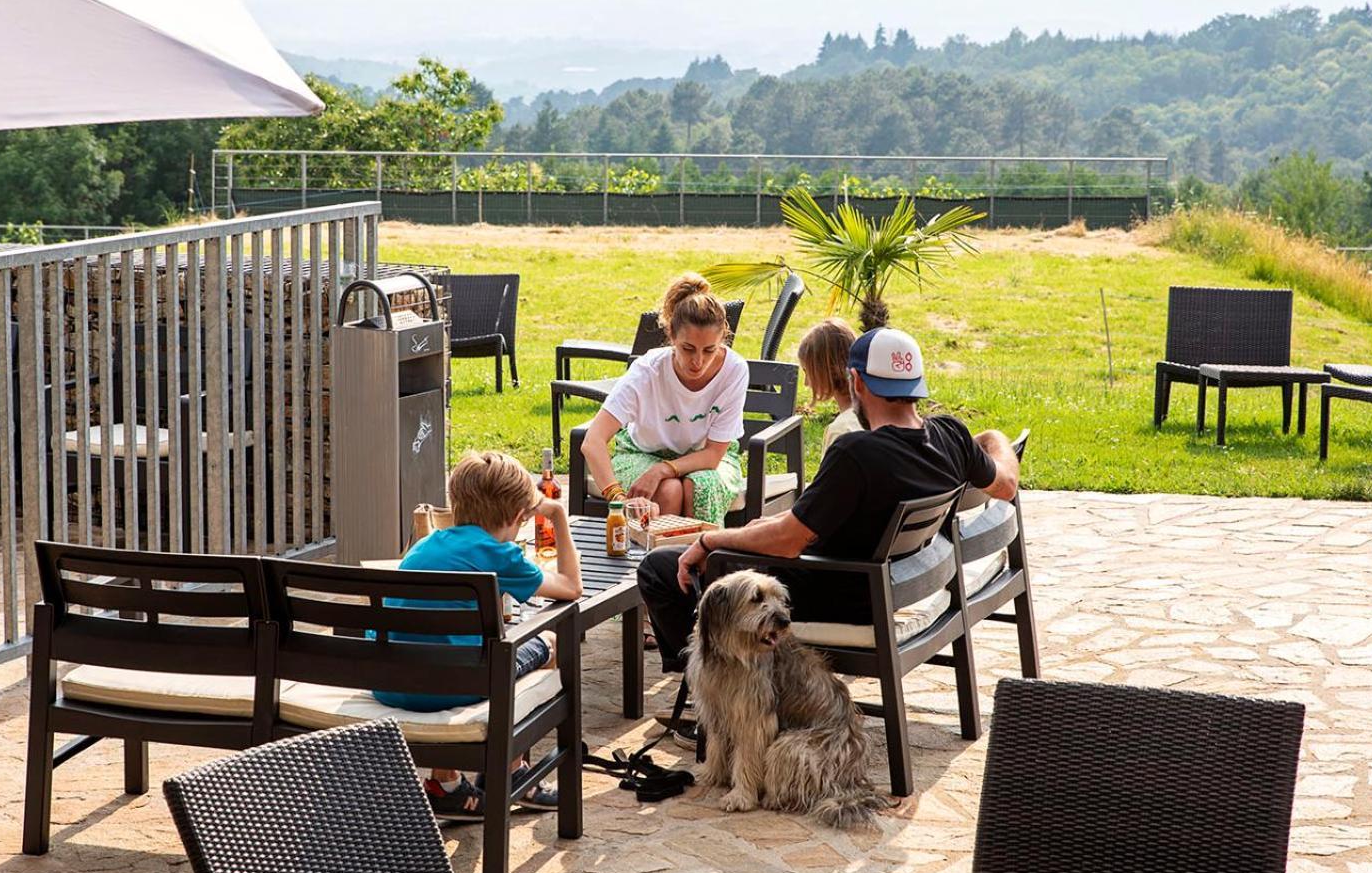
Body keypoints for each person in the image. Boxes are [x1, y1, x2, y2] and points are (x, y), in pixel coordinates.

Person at [637, 326, 1021, 723]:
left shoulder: (856, 453)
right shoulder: (952, 435)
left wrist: (709, 540)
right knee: (739, 544)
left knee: (660, 568)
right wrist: (993, 437)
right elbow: (1006, 483)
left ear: (856, 381)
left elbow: (788, 541)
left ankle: (722, 706)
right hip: (884, 584)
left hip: (830, 592)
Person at [374, 450, 582, 822]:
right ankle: (513, 770)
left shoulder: (426, 544)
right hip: (449, 687)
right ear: (519, 515)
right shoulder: (498, 552)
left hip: (389, 680)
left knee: (452, 653)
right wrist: (558, 515)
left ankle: (447, 785)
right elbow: (571, 586)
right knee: (547, 643)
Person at [580, 273, 749, 526]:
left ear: (723, 337)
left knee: (700, 486)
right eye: (688, 348)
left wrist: (662, 469)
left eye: (709, 350)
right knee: (668, 491)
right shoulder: (648, 370)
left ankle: (702, 563)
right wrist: (617, 497)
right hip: (641, 452)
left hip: (708, 457)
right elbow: (592, 441)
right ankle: (652, 564)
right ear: (671, 334)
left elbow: (713, 455)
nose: (698, 362)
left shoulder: (734, 370)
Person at [797, 317, 860, 453]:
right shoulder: (878, 413)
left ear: (827, 370)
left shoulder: (841, 431)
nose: (806, 382)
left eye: (808, 372)